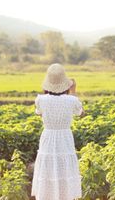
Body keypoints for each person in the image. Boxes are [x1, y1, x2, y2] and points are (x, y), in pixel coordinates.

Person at [31, 63, 83, 200]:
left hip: (48, 137)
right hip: (65, 138)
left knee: (48, 168)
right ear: (65, 84)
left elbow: (39, 113)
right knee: (64, 169)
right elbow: (79, 112)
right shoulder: (72, 100)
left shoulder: (41, 100)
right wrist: (73, 91)